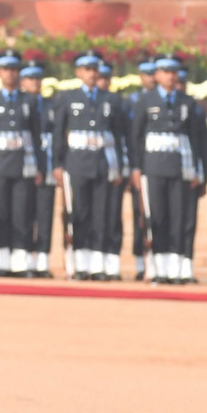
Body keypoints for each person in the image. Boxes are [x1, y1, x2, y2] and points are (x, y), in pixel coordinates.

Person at [130, 56, 206, 284]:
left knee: (178, 217)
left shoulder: (187, 102)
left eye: (174, 72)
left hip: (181, 168)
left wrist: (198, 169)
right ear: (156, 75)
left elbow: (197, 138)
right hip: (153, 167)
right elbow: (136, 137)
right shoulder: (145, 100)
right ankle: (158, 267)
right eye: (165, 71)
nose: (170, 76)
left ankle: (177, 267)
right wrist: (136, 167)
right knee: (157, 216)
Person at [52, 54, 125, 280]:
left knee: (101, 215)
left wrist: (120, 165)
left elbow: (118, 135)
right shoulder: (68, 98)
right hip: (77, 163)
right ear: (79, 73)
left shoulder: (110, 99)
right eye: (87, 69)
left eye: (94, 69)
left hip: (103, 163)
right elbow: (58, 134)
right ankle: (80, 264)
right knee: (80, 213)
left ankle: (98, 264)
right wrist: (57, 163)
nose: (91, 74)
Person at [0, 52, 40, 277]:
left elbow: (36, 136)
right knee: (0, 213)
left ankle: (20, 262)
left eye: (14, 69)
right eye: (6, 69)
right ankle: (2, 261)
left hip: (23, 164)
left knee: (22, 213)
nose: (10, 74)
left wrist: (39, 166)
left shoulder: (29, 100)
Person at [120, 55, 158, 278]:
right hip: (138, 165)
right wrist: (130, 166)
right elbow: (128, 136)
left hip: (157, 163)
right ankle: (139, 261)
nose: (151, 78)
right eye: (147, 74)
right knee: (140, 215)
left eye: (154, 74)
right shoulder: (132, 101)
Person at [20, 61, 57, 276]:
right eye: (30, 78)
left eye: (37, 78)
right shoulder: (19, 103)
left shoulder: (51, 104)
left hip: (47, 165)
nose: (35, 82)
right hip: (25, 166)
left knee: (45, 214)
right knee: (24, 213)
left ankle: (43, 259)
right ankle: (26, 259)